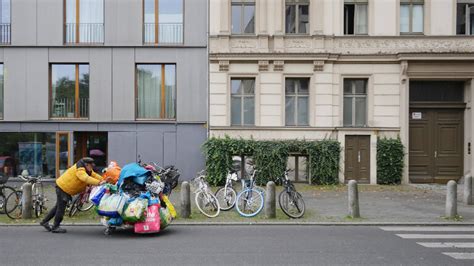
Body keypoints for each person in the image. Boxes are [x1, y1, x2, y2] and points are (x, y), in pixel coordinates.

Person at [40, 157, 106, 233]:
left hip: (63, 188)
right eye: (91, 165)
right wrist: (99, 183)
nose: (92, 167)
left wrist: (104, 180)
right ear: (87, 164)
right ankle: (55, 226)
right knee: (61, 209)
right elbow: (85, 178)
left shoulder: (87, 170)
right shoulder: (80, 170)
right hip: (63, 188)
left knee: (57, 207)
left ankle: (44, 222)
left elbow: (94, 175)